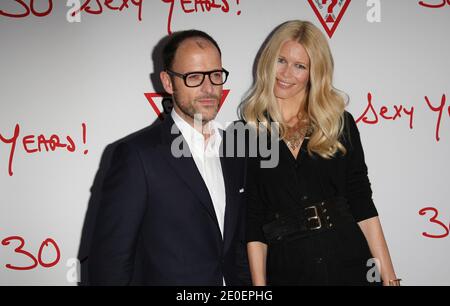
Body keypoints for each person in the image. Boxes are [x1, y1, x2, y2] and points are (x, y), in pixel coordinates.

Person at [86, 30, 250, 285]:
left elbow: (237, 245)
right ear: (168, 82)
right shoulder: (136, 156)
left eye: (216, 75)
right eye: (194, 77)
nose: (209, 88)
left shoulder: (235, 149)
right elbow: (110, 264)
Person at [242, 20, 399, 286]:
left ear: (315, 73)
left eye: (300, 66)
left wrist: (390, 279)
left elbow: (361, 202)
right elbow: (254, 219)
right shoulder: (246, 134)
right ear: (268, 60)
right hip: (288, 269)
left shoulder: (338, 123)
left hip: (348, 262)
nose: (286, 73)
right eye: (281, 60)